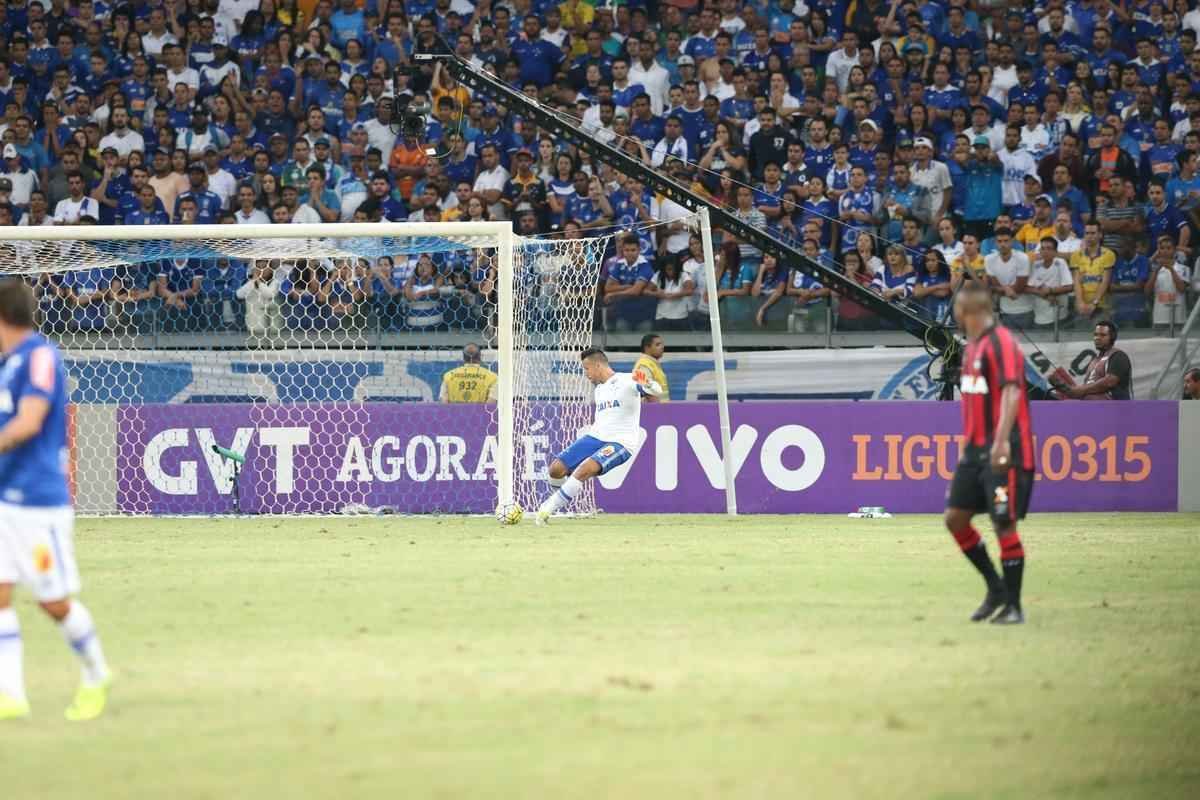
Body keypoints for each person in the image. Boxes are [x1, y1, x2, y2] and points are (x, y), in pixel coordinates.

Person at [0, 279, 112, 721]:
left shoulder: (41, 356)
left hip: (38, 502)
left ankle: (96, 671)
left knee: (53, 602)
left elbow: (29, 423)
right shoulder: (8, 364)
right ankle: (10, 694)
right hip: (5, 499)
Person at [944, 282, 1034, 626]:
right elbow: (972, 404)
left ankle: (1014, 606)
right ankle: (995, 588)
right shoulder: (971, 349)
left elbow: (1011, 392)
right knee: (955, 518)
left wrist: (1000, 442)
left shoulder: (1002, 343)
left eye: (957, 309)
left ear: (969, 310)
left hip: (1004, 451)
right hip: (975, 454)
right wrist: (966, 448)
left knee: (1003, 524)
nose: (954, 315)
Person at [535, 348, 663, 524]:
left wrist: (648, 383)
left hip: (620, 443)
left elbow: (656, 391)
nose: (586, 374)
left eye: (586, 369)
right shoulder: (599, 390)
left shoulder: (627, 380)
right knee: (555, 469)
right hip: (595, 437)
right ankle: (555, 504)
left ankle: (546, 510)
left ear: (597, 365)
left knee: (583, 470)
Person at [1054, 321, 1133, 401]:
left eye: (1102, 335)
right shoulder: (1094, 361)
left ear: (1112, 337)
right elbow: (1086, 386)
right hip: (1091, 407)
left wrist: (1079, 390)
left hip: (1114, 409)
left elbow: (1109, 382)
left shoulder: (1118, 356)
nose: (1097, 338)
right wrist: (1068, 389)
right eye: (1095, 335)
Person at [633, 334, 669, 404]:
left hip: (662, 409)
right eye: (658, 345)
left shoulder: (652, 363)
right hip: (656, 411)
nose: (662, 347)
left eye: (662, 344)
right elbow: (647, 391)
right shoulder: (643, 365)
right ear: (647, 348)